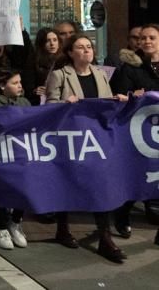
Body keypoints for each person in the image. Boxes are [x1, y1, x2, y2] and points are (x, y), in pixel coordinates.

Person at [45, 34, 129, 262]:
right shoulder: (59, 75)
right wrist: (65, 104)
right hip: (70, 139)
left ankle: (105, 237)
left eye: (89, 47)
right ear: (71, 53)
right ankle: (63, 228)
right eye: (80, 47)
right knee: (67, 181)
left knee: (99, 185)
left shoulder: (101, 75)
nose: (86, 51)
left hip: (95, 140)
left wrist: (119, 100)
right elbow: (48, 107)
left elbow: (105, 104)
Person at [109, 23, 159, 237]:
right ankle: (122, 212)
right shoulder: (130, 67)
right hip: (139, 127)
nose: (146, 41)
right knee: (138, 172)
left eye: (152, 38)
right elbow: (119, 95)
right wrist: (132, 96)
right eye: (143, 38)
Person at [0, 68, 31, 250]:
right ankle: (2, 227)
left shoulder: (25, 103)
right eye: (15, 83)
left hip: (21, 153)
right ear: (2, 86)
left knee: (23, 188)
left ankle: (16, 222)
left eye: (20, 82)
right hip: (3, 153)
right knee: (2, 190)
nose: (19, 86)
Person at [22, 28, 61, 106]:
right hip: (40, 102)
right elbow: (28, 84)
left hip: (60, 100)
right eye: (48, 40)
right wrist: (35, 90)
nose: (52, 44)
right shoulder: (33, 60)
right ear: (41, 43)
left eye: (55, 40)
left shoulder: (64, 61)